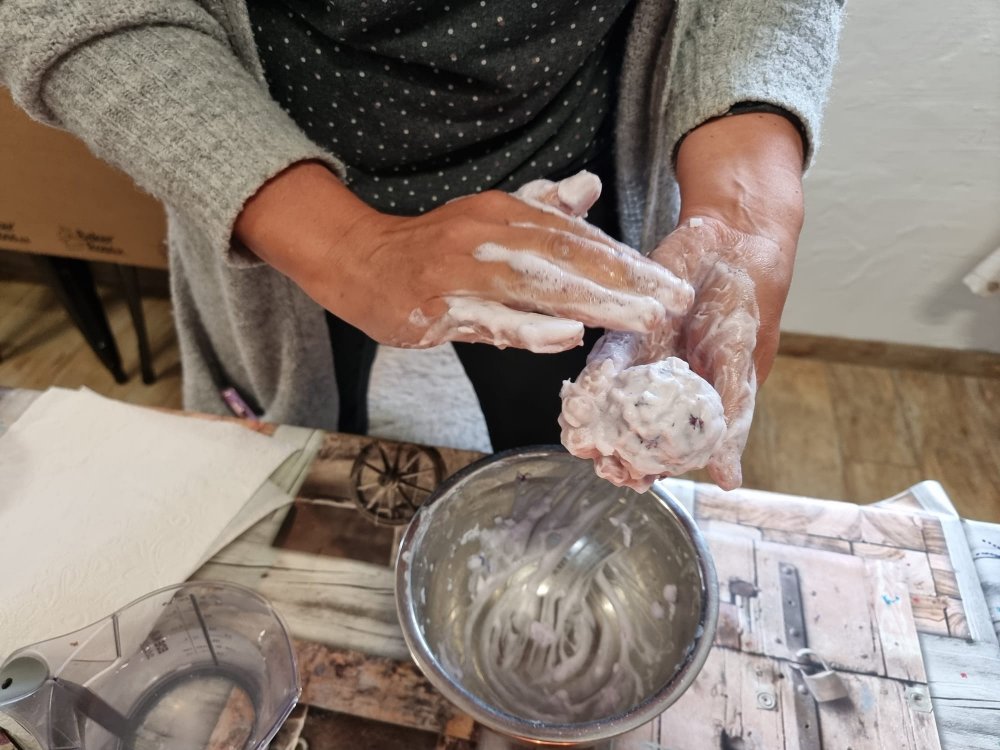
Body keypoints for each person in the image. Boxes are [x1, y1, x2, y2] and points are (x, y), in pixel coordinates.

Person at [0, 1, 843, 488]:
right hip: (283, 191)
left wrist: (745, 210)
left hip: (578, 183)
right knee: (308, 455)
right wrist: (346, 247)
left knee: (561, 454)